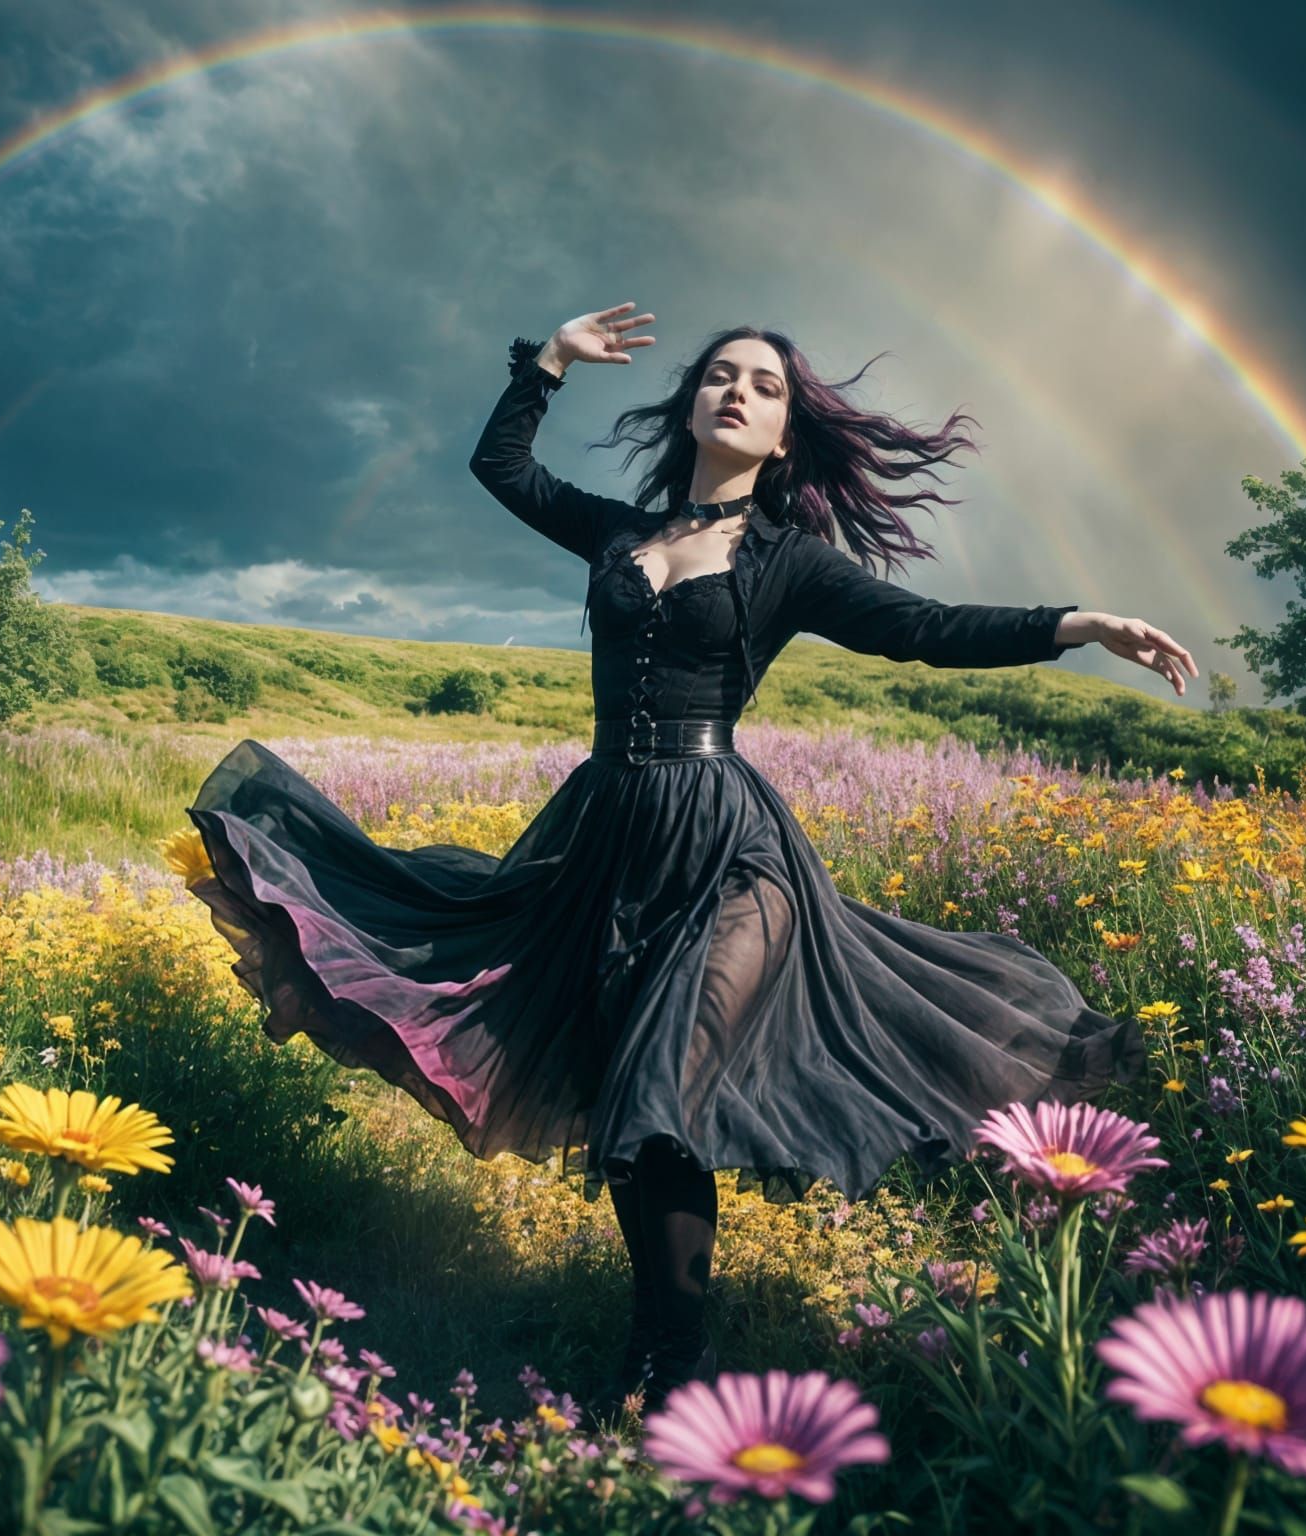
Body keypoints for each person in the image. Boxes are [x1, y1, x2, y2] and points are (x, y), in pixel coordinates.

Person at [185, 301, 1197, 1424]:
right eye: (721, 375)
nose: (737, 392)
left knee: (658, 1085)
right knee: (632, 1107)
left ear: (782, 438)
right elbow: (502, 467)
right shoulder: (619, 535)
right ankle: (660, 1349)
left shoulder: (788, 563)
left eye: (764, 387)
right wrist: (550, 364)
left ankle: (669, 1369)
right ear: (693, 407)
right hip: (609, 841)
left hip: (733, 853)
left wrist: (1079, 623)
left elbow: (926, 628)